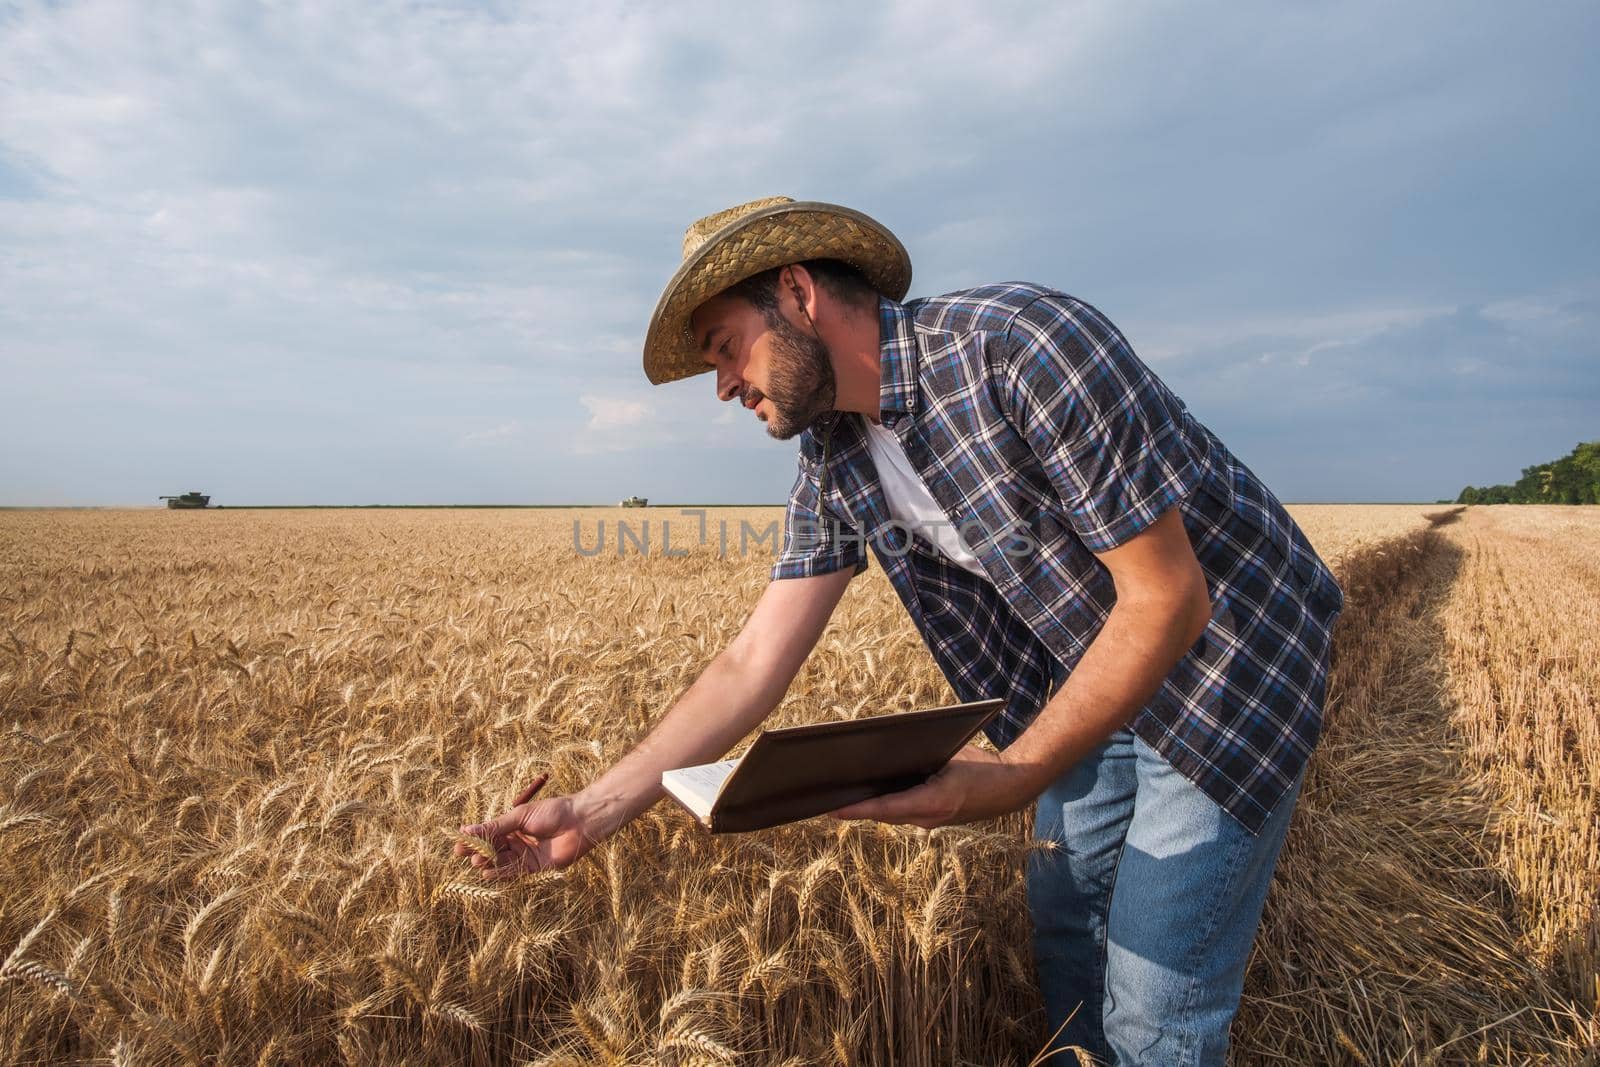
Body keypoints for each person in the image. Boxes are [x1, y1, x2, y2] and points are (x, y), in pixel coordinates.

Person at [452, 197, 1345, 1064]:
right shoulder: (835, 452)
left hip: (1226, 666)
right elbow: (753, 659)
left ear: (798, 292)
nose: (723, 386)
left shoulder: (1020, 349)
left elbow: (1167, 600)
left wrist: (1012, 772)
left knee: (1155, 1000)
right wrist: (593, 811)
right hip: (1097, 670)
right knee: (1070, 927)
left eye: (727, 349)